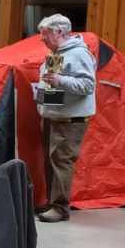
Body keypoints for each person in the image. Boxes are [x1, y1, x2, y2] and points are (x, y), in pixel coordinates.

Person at [36, 14, 97, 223]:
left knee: (61, 162)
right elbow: (54, 87)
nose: (41, 39)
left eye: (45, 34)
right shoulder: (56, 54)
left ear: (59, 32)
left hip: (69, 120)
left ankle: (60, 208)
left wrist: (59, 79)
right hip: (54, 116)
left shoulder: (79, 54)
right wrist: (40, 96)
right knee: (52, 161)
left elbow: (88, 86)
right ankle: (54, 202)